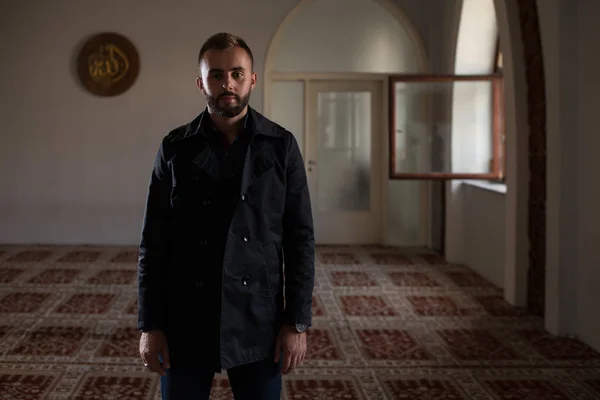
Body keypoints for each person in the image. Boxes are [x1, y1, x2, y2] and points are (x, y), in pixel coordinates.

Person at [137, 32, 315, 400]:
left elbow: (300, 241)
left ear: (252, 78)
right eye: (216, 75)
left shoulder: (281, 146)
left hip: (258, 316)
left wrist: (296, 322)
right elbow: (153, 245)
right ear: (201, 82)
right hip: (186, 315)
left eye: (236, 73)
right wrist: (150, 325)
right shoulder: (174, 148)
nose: (227, 83)